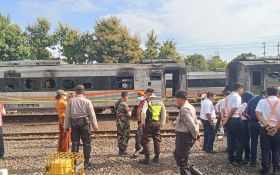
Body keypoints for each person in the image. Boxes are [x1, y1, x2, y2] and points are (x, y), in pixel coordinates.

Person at [64, 85, 98, 169]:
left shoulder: (71, 101)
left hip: (74, 122)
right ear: (83, 92)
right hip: (84, 122)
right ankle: (86, 162)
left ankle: (75, 163)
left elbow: (67, 115)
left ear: (76, 92)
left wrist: (66, 126)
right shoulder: (87, 101)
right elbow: (92, 114)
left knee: (75, 142)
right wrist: (95, 126)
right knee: (86, 142)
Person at [173, 90, 200, 175]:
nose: (176, 101)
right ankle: (192, 170)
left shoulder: (184, 109)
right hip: (185, 135)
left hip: (184, 136)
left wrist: (195, 136)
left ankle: (191, 172)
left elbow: (191, 124)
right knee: (180, 155)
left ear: (181, 99)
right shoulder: (190, 106)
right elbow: (195, 121)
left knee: (181, 159)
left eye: (176, 99)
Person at [256, 86, 280, 175]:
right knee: (276, 149)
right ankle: (276, 170)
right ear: (277, 93)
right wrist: (275, 127)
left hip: (264, 128)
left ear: (267, 93)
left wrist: (267, 125)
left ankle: (266, 169)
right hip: (278, 129)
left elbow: (258, 114)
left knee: (265, 149)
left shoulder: (262, 101)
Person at [139, 88, 166, 165]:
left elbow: (143, 113)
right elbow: (164, 112)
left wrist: (143, 122)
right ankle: (156, 158)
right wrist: (162, 122)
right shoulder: (160, 100)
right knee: (157, 140)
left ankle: (147, 159)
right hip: (157, 123)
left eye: (146, 93)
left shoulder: (147, 101)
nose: (145, 94)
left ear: (148, 93)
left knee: (145, 140)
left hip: (149, 123)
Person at [221, 82, 244, 165]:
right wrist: (226, 119)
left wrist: (224, 118)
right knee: (240, 140)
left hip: (228, 121)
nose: (242, 91)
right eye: (242, 89)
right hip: (235, 119)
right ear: (239, 88)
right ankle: (238, 160)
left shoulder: (227, 97)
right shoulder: (237, 97)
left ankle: (230, 159)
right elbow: (234, 108)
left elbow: (222, 109)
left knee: (230, 140)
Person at [246, 90, 265, 167]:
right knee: (264, 143)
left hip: (252, 123)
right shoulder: (265, 101)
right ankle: (264, 160)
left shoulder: (251, 100)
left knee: (253, 142)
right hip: (263, 123)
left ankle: (253, 161)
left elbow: (247, 112)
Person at [115, 91, 133, 156]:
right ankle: (123, 151)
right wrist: (130, 110)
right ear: (125, 96)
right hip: (124, 123)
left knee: (120, 136)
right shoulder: (124, 104)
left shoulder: (117, 103)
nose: (128, 98)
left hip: (118, 122)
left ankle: (120, 151)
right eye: (127, 96)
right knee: (125, 136)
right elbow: (129, 115)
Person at [240, 91, 254, 163]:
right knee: (246, 140)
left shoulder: (242, 104)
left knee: (243, 139)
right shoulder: (246, 104)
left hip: (241, 122)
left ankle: (244, 155)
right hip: (245, 122)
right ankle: (247, 156)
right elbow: (245, 114)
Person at [133, 91, 146, 157]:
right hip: (140, 122)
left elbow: (144, 114)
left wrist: (141, 122)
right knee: (143, 136)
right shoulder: (141, 103)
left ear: (143, 96)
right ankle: (144, 150)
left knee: (138, 135)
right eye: (138, 96)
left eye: (140, 96)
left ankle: (138, 149)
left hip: (143, 122)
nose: (138, 97)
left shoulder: (145, 103)